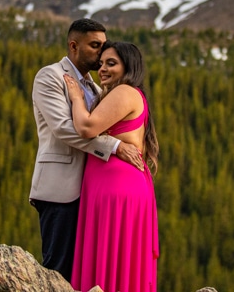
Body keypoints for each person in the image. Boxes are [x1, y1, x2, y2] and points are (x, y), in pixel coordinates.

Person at [29, 19, 144, 282]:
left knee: (86, 274)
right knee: (58, 271)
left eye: (104, 46)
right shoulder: (50, 76)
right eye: (95, 46)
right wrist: (115, 147)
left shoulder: (95, 87)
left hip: (92, 193)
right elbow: (64, 129)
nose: (102, 53)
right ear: (73, 46)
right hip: (60, 190)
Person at [64, 40, 160, 292]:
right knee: (121, 256)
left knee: (108, 252)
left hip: (115, 185)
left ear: (128, 67)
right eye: (101, 63)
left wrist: (76, 98)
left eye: (111, 63)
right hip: (120, 183)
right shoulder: (131, 95)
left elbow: (86, 127)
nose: (103, 69)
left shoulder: (124, 92)